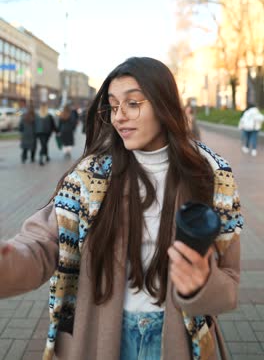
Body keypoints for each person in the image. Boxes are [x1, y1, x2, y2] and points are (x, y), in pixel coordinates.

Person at [0, 57, 243, 360]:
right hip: (99, 339)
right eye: (114, 107)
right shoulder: (90, 176)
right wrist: (6, 262)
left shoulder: (211, 176)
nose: (119, 117)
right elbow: (40, 245)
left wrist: (201, 284)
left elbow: (230, 279)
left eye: (132, 104)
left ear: (163, 103)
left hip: (177, 341)